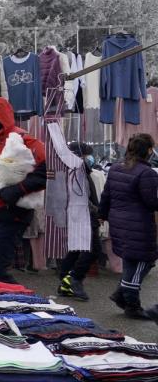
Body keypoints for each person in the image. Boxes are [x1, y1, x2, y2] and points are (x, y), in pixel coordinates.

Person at [0, 96, 46, 283]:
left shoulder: (21, 140)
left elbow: (48, 168)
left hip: (8, 213)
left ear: (0, 115)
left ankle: (26, 304)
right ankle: (8, 305)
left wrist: (18, 189)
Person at [98, 133, 158, 320]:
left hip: (118, 222)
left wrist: (102, 215)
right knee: (144, 261)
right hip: (138, 224)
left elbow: (106, 195)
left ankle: (122, 295)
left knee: (131, 260)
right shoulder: (146, 173)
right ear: (148, 151)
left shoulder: (115, 169)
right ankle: (130, 303)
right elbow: (151, 202)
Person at [57, 142, 103, 301]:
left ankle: (64, 280)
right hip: (85, 215)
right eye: (86, 155)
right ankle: (75, 279)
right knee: (93, 249)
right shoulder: (78, 171)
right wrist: (97, 211)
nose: (88, 158)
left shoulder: (75, 170)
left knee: (76, 248)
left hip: (79, 214)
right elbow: (83, 196)